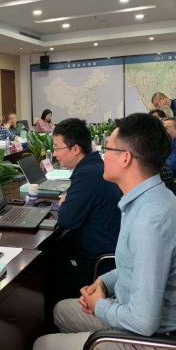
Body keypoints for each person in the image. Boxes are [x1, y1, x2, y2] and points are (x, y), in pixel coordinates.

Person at [33, 113, 176, 350]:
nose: (102, 156)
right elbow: (133, 266)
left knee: (41, 347)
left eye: (107, 149)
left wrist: (100, 305)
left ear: (125, 158)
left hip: (157, 342)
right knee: (60, 311)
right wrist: (103, 282)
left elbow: (143, 322)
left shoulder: (150, 221)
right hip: (137, 314)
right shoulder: (144, 198)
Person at [46, 118, 122, 307]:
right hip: (108, 247)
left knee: (45, 268)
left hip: (98, 261)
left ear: (75, 149)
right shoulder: (94, 166)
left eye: (57, 148)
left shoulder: (87, 174)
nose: (55, 154)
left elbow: (66, 220)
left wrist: (65, 204)